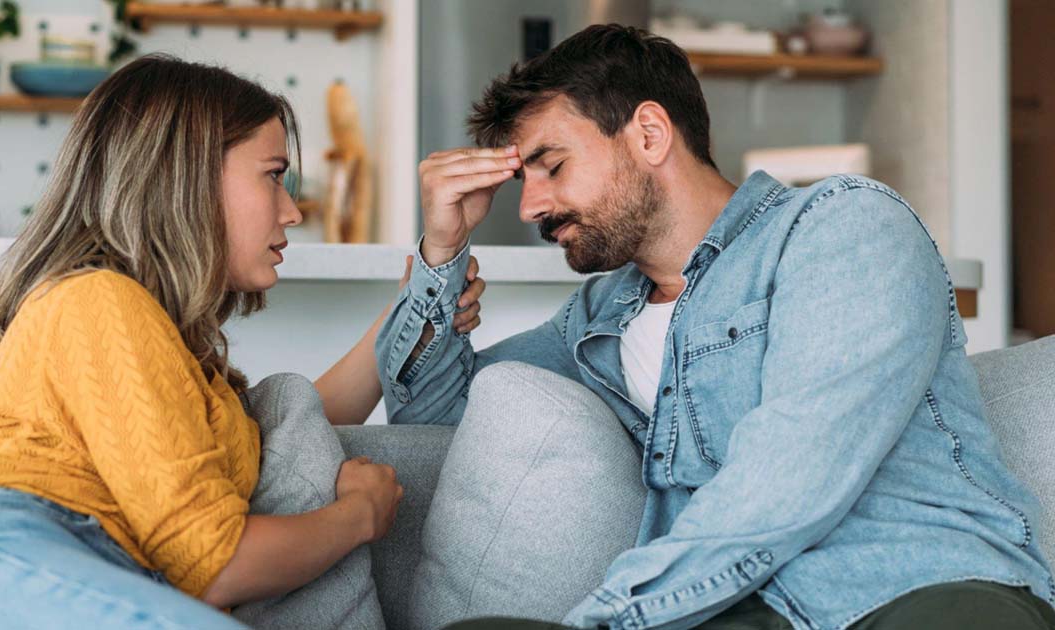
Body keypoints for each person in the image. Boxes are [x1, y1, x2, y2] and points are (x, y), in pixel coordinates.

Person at [375, 24, 1055, 630]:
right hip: (731, 608)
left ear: (648, 133)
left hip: (911, 587)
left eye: (552, 166)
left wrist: (612, 618)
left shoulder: (843, 226)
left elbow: (790, 477)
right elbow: (431, 414)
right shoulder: (598, 320)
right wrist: (440, 253)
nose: (530, 206)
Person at [0, 54, 487, 629]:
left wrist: (422, 299)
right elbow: (214, 565)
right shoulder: (96, 300)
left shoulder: (175, 361)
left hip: (56, 565)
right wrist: (358, 516)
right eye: (273, 177)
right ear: (185, 179)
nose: (292, 211)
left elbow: (296, 418)